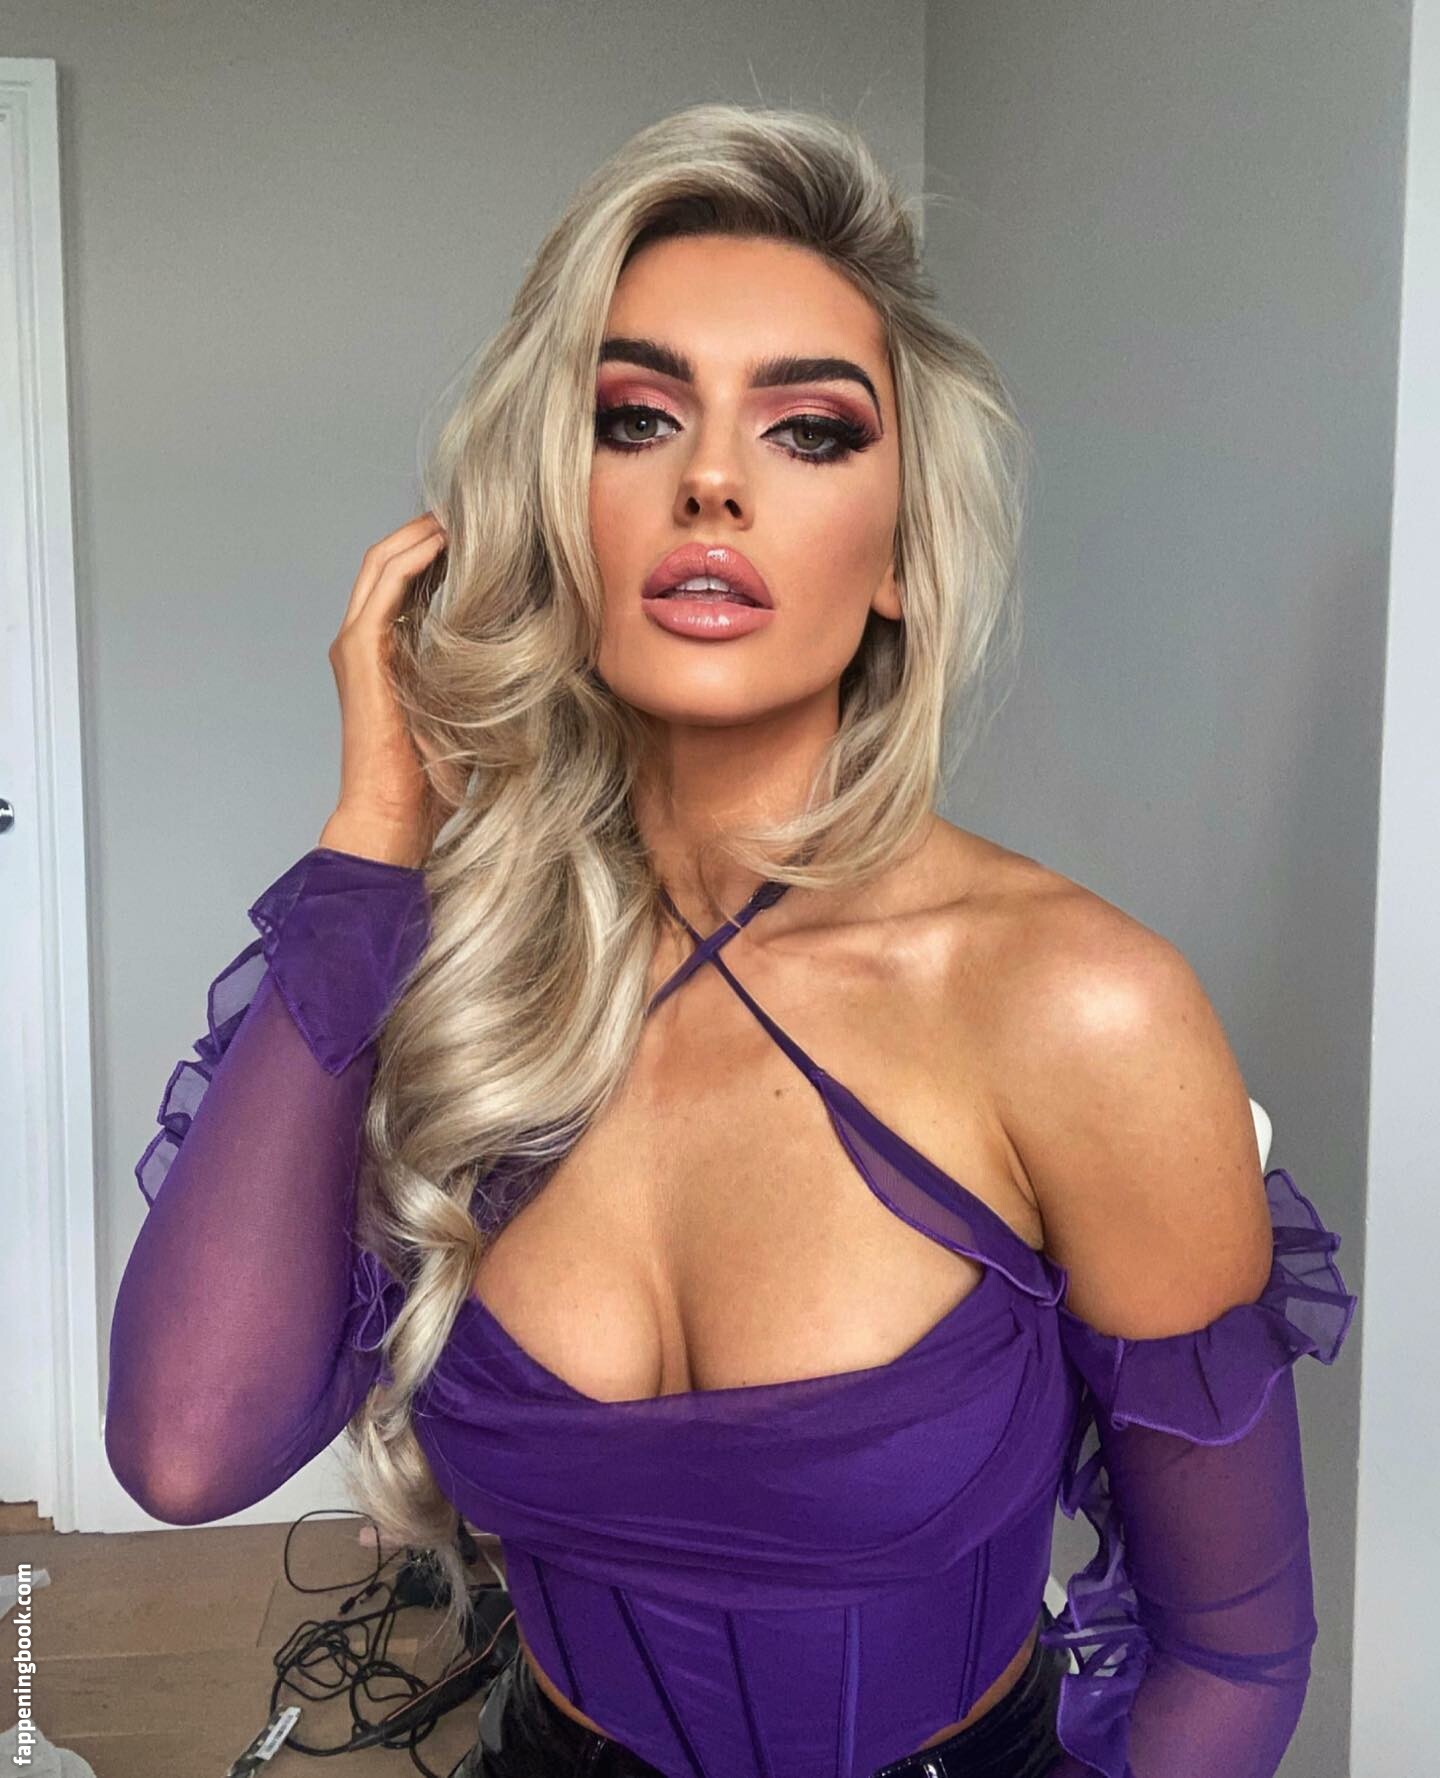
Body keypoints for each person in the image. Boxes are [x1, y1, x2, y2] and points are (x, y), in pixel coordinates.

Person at [105, 102, 1356, 1778]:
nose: (710, 478)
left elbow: (1234, 1647)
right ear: (553, 509)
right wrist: (375, 837)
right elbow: (185, 1448)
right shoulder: (462, 983)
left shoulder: (1079, 1011)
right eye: (635, 417)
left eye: (810, 431)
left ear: (900, 554)